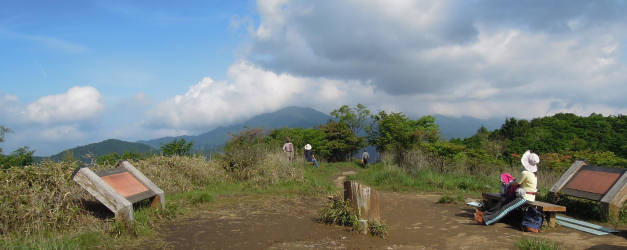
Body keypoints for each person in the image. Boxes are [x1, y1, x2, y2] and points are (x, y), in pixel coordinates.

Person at [477, 150, 539, 226]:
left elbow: (515, 183)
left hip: (525, 197)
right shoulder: (533, 174)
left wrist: (509, 182)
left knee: (506, 208)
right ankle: (486, 214)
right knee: (503, 200)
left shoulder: (525, 173)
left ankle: (486, 220)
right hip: (526, 195)